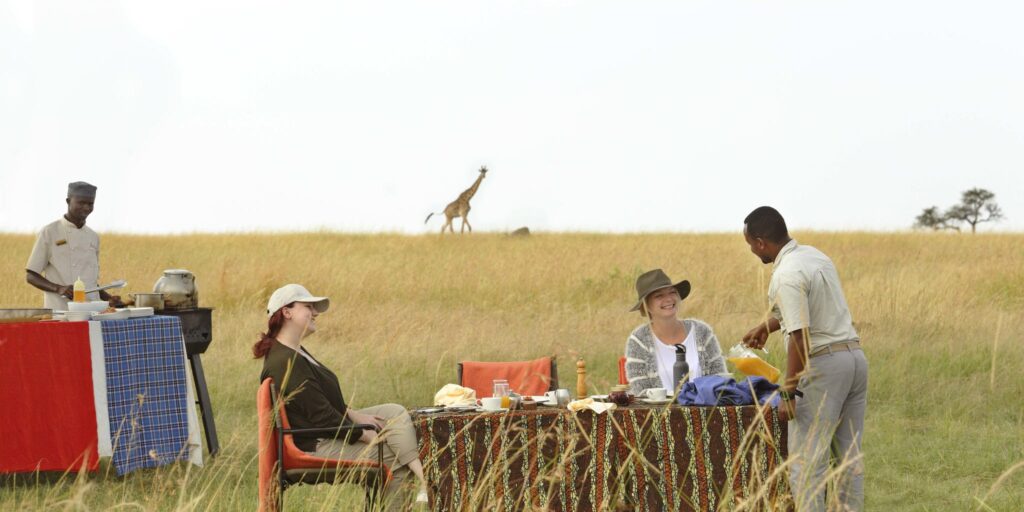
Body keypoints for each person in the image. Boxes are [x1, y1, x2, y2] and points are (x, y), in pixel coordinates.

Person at [740, 206, 867, 512]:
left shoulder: (785, 273)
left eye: (751, 246)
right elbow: (810, 310)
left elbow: (800, 336)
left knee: (807, 464)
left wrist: (789, 389)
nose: (753, 253)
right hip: (854, 361)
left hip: (823, 367)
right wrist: (768, 326)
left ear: (760, 243)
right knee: (848, 459)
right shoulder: (814, 256)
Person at [255, 284, 428, 508]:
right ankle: (428, 482)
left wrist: (354, 415)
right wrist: (363, 435)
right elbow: (322, 417)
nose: (315, 313)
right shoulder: (285, 360)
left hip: (325, 431)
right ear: (286, 312)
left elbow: (319, 400)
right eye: (308, 307)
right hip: (315, 444)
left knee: (393, 412)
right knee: (392, 459)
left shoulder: (295, 350)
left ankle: (424, 479)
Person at [624, 269, 729, 396]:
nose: (668, 299)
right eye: (659, 296)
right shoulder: (638, 340)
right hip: (659, 414)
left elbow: (721, 380)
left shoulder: (702, 332)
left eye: (672, 292)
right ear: (646, 305)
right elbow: (639, 390)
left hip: (705, 412)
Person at [25, 181, 121, 310]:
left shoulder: (93, 236)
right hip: (62, 311)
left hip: (94, 312)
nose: (86, 208)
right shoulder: (49, 232)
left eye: (90, 204)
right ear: (68, 201)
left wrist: (108, 298)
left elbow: (90, 283)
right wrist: (59, 288)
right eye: (81, 203)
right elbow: (31, 275)